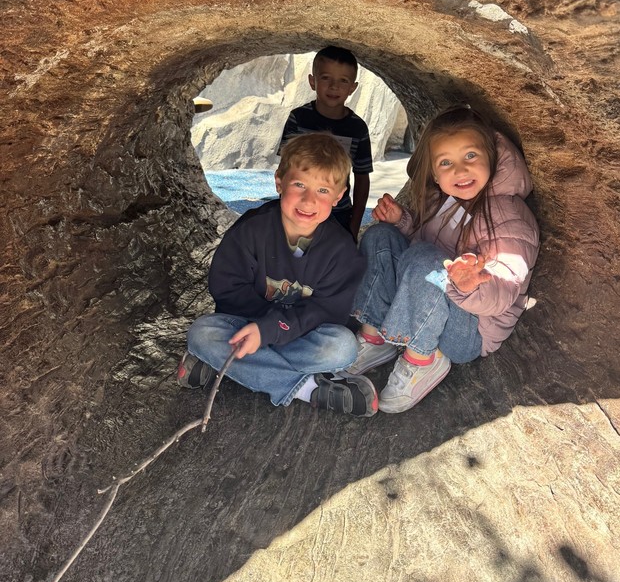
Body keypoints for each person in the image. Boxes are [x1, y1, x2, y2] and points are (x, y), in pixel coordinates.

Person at [346, 106, 539, 413]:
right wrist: (402, 222)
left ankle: (423, 360)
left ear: (491, 157)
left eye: (471, 156)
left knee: (426, 261)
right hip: (437, 292)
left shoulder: (508, 215)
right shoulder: (441, 199)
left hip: (468, 329)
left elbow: (505, 290)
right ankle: (376, 336)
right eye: (446, 163)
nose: (460, 171)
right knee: (380, 237)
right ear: (434, 172)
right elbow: (425, 242)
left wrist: (471, 286)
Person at [178, 133, 378, 417]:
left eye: (323, 190)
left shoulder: (340, 249)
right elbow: (226, 288)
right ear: (279, 182)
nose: (309, 200)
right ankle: (309, 389)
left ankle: (225, 366)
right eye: (299, 185)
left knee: (343, 348)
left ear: (339, 196)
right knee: (202, 333)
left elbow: (328, 311)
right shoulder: (252, 230)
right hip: (246, 324)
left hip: (299, 331)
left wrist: (273, 330)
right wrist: (262, 328)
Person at [279, 46, 372, 239]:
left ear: (352, 88)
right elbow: (285, 167)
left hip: (338, 213)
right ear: (312, 81)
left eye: (343, 81)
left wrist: (354, 224)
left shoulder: (357, 128)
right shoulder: (299, 118)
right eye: (325, 78)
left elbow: (362, 178)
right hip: (299, 208)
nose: (334, 86)